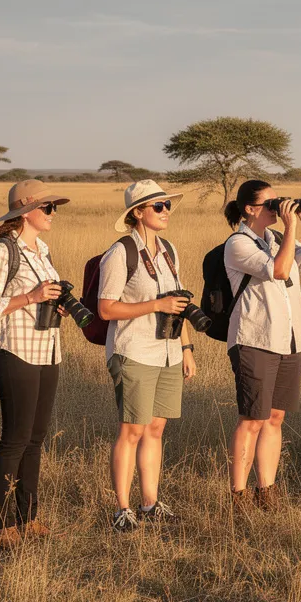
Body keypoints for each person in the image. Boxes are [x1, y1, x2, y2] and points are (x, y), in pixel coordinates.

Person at [96, 180, 196, 532]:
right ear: (137, 213)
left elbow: (178, 303)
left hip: (168, 351)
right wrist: (156, 305)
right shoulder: (120, 252)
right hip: (134, 350)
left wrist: (186, 348)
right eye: (158, 206)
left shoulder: (168, 249)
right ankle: (122, 509)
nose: (166, 210)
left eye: (167, 204)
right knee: (132, 430)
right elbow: (106, 309)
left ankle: (150, 504)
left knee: (155, 429)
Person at [223, 179, 301, 512]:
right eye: (271, 203)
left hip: (290, 338)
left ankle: (265, 490)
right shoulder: (238, 243)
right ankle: (238, 496)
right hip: (255, 339)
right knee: (252, 419)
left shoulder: (280, 238)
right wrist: (290, 224)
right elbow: (280, 270)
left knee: (276, 417)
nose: (278, 206)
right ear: (251, 209)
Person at [0, 180, 71, 549]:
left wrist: (53, 302)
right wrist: (30, 296)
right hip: (14, 351)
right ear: (26, 212)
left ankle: (28, 518)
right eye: (47, 208)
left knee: (36, 439)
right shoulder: (3, 252)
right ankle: (1, 526)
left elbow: (37, 299)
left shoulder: (42, 251)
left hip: (47, 349)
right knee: (15, 439)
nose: (52, 214)